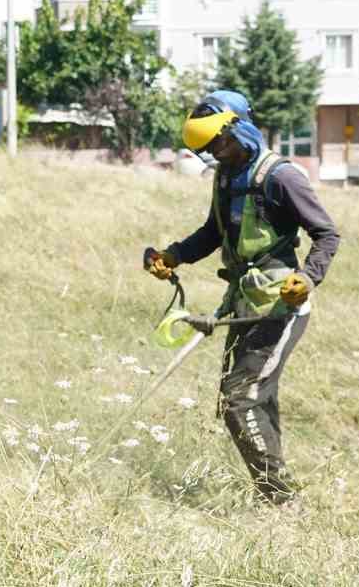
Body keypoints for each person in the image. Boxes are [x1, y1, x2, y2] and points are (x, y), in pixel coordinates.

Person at [143, 90, 341, 504]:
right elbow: (213, 233)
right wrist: (173, 255)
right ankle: (280, 497)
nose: (217, 153)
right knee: (252, 398)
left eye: (220, 142)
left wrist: (308, 277)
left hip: (280, 306)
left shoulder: (281, 176)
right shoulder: (227, 177)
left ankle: (281, 501)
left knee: (239, 399)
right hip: (243, 303)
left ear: (241, 128)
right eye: (207, 150)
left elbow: (326, 234)